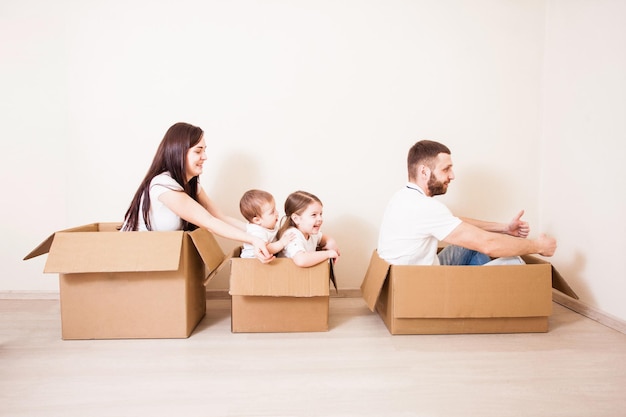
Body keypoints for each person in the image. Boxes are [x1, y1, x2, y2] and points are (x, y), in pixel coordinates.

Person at [377, 140, 557, 266]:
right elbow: (489, 244)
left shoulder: (403, 198)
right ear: (424, 172)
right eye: (446, 169)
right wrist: (538, 246)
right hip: (426, 284)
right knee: (509, 260)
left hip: (415, 273)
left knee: (474, 244)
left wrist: (504, 229)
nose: (452, 175)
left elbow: (452, 220)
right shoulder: (425, 207)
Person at [121, 122, 272, 263]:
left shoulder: (192, 184)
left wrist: (263, 232)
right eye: (198, 151)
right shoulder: (163, 184)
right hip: (133, 257)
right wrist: (253, 240)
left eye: (204, 150)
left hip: (156, 258)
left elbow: (219, 217)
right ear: (178, 152)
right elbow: (209, 222)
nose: (204, 157)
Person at [276, 190, 340, 267]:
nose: (320, 219)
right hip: (287, 276)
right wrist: (328, 253)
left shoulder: (311, 232)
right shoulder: (292, 235)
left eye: (320, 214)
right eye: (314, 215)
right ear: (296, 219)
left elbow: (323, 238)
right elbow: (301, 260)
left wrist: (331, 243)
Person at [238, 189, 295, 258]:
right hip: (250, 262)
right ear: (257, 220)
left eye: (275, 209)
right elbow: (267, 249)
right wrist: (282, 243)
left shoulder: (268, 226)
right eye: (272, 212)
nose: (277, 213)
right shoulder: (257, 232)